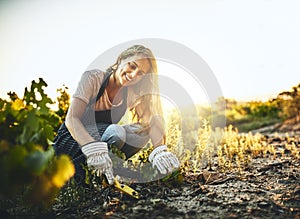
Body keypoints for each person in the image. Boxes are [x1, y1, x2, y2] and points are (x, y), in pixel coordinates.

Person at [53, 45, 180, 185]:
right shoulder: (93, 78)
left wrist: (160, 150)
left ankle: (104, 172)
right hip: (70, 141)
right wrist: (93, 148)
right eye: (132, 66)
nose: (133, 75)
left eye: (140, 73)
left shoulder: (131, 92)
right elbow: (71, 119)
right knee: (116, 132)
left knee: (141, 133)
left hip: (101, 140)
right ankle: (75, 176)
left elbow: (152, 120)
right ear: (121, 59)